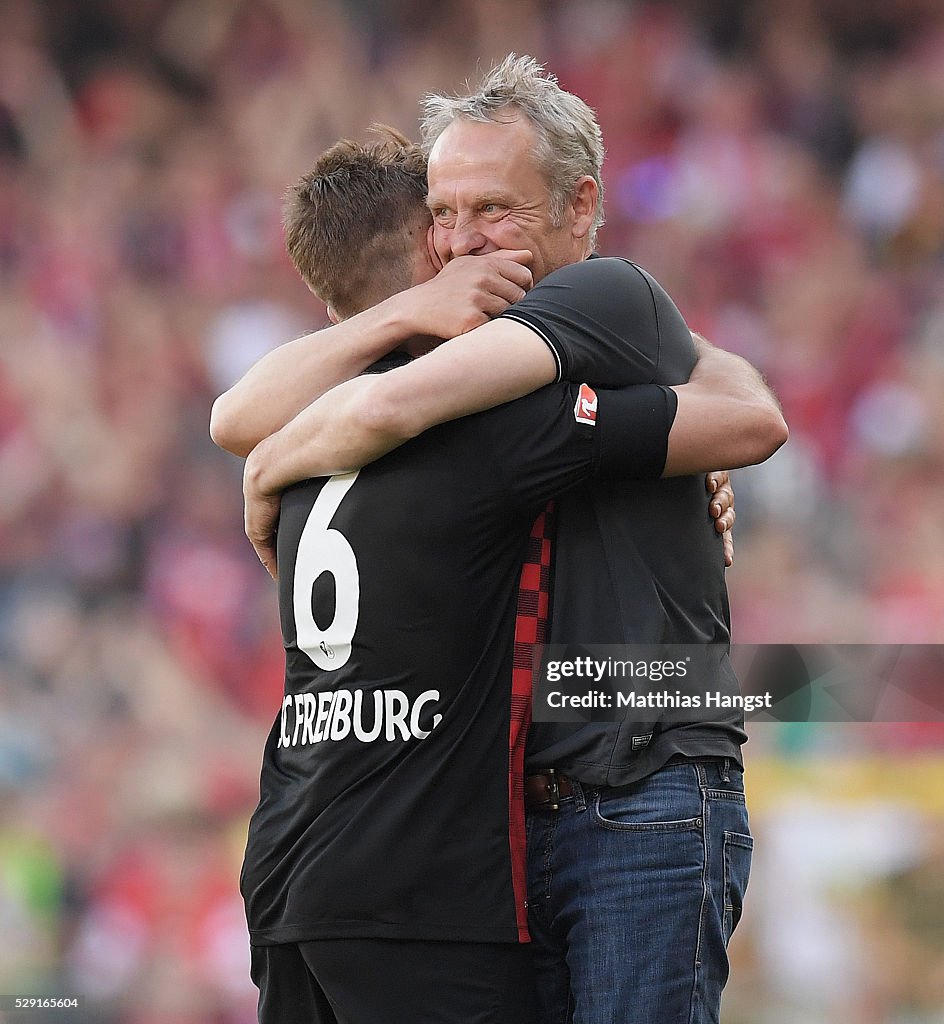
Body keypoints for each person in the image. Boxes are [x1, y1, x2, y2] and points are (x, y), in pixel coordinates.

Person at [216, 57, 789, 1024]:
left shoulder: (608, 298)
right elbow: (238, 411)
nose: (463, 240)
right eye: (445, 213)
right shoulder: (482, 366)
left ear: (580, 204)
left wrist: (276, 463)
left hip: (641, 787)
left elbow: (749, 412)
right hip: (511, 815)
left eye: (497, 209)